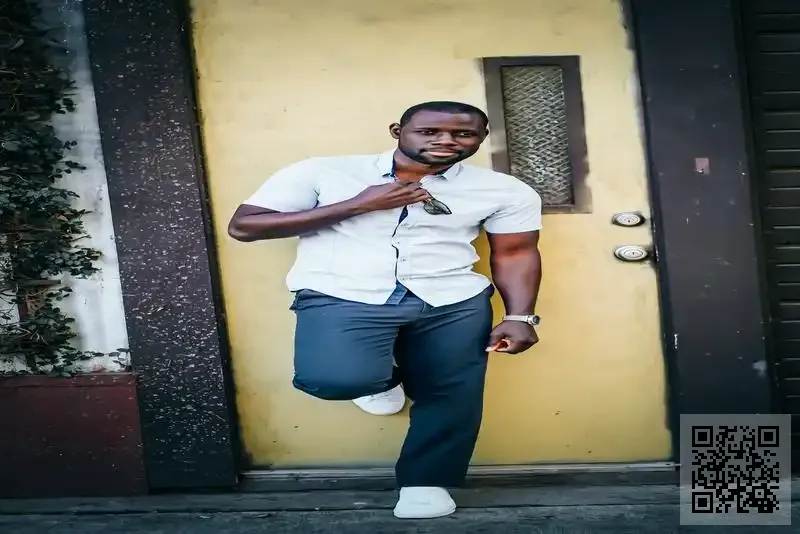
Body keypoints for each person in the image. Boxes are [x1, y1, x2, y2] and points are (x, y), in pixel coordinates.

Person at [228, 101, 543, 519]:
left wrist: (519, 316)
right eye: (430, 132)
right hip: (342, 293)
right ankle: (379, 379)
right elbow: (245, 226)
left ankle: (425, 482)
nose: (447, 141)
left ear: (482, 139)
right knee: (332, 379)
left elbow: (516, 252)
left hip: (451, 299)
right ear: (398, 131)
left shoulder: (504, 190)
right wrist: (358, 205)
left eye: (463, 134)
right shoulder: (322, 172)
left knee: (452, 392)